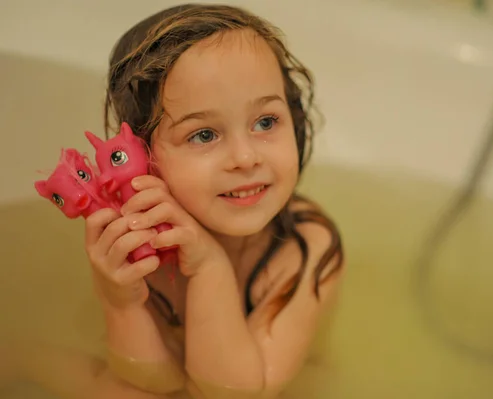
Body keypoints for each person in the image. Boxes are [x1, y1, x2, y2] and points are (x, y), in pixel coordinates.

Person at [80, 3, 345, 398]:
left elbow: (235, 392)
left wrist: (209, 267)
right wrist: (120, 298)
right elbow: (149, 379)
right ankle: (30, 358)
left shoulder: (306, 245)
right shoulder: (141, 239)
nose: (245, 158)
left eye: (266, 122)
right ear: (140, 155)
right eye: (204, 135)